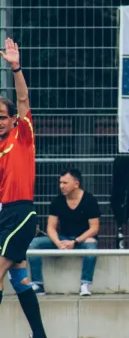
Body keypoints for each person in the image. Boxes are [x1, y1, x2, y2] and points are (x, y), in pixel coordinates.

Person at [0, 38, 48, 337]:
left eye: (2, 117)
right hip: (4, 215)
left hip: (21, 215)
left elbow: (23, 100)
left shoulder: (22, 137)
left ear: (13, 119)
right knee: (19, 279)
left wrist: (16, 68)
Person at [28, 168, 101, 297]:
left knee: (91, 245)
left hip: (81, 240)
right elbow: (50, 227)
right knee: (34, 244)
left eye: (65, 183)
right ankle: (38, 284)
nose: (61, 186)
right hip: (63, 238)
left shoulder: (89, 200)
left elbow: (94, 228)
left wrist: (75, 241)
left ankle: (85, 284)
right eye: (60, 182)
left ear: (76, 183)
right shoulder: (58, 200)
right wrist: (58, 243)